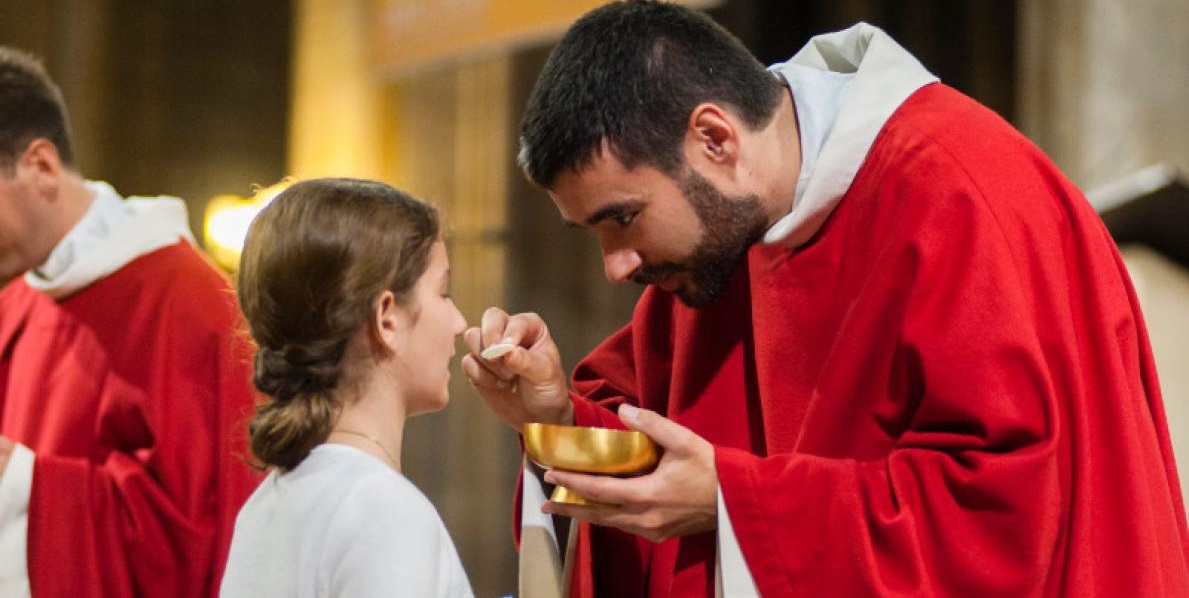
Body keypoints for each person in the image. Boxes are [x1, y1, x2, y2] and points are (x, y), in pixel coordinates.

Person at [461, 1, 1189, 597]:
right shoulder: (718, 244)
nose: (615, 268)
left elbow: (1004, 519)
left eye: (621, 218)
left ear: (714, 137)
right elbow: (663, 431)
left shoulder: (955, 191)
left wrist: (736, 503)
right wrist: (556, 417)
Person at [0, 47, 261, 597]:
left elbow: (202, 531)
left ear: (41, 167)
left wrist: (21, 482)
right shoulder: (16, 301)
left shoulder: (187, 302)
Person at [220, 177, 474, 598]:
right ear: (387, 317)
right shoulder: (381, 509)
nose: (460, 323)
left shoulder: (267, 504)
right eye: (443, 293)